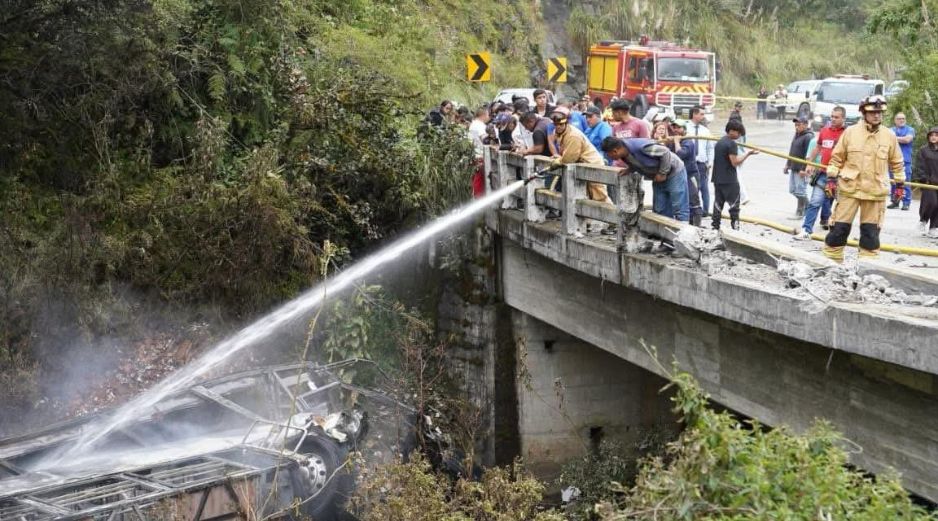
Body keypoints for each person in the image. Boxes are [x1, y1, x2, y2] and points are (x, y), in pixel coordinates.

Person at [822, 95, 905, 261]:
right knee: (838, 230)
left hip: (875, 192)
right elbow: (836, 159)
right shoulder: (850, 133)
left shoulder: (889, 136)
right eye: (873, 112)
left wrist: (900, 186)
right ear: (863, 113)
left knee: (870, 234)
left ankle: (867, 267)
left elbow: (897, 162)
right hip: (850, 189)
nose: (877, 115)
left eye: (879, 112)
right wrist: (831, 179)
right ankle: (830, 263)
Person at [551, 108, 614, 233]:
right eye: (556, 125)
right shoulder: (559, 132)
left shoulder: (573, 135)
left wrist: (558, 161)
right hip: (583, 165)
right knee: (586, 195)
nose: (558, 127)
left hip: (592, 165)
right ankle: (588, 222)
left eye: (561, 125)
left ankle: (614, 222)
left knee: (599, 195)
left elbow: (569, 158)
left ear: (566, 123)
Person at [601, 136, 689, 222]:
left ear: (615, 151)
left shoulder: (641, 147)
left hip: (674, 172)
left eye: (609, 154)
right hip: (657, 176)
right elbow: (638, 160)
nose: (609, 157)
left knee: (679, 206)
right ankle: (665, 230)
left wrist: (662, 173)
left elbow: (665, 153)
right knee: (660, 208)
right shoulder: (625, 152)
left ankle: (684, 229)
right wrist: (630, 169)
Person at [795, 106, 847, 240]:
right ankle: (806, 230)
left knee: (842, 207)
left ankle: (837, 236)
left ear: (843, 118)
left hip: (842, 176)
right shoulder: (825, 131)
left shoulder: (848, 134)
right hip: (824, 174)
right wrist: (810, 164)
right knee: (815, 202)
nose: (833, 119)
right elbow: (817, 148)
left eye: (836, 117)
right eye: (832, 116)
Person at [711, 120, 758, 230]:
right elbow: (735, 162)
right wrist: (748, 154)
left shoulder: (719, 142)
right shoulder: (731, 144)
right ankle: (735, 228)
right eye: (739, 133)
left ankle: (715, 227)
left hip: (717, 179)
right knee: (734, 206)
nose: (739, 135)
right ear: (732, 131)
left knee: (718, 204)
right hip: (729, 180)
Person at [669, 119, 703, 225]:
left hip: (691, 175)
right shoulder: (673, 141)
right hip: (679, 176)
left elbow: (680, 154)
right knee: (682, 200)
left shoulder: (688, 142)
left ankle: (696, 226)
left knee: (694, 199)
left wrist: (676, 142)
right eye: (674, 127)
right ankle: (685, 223)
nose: (676, 130)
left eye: (678, 127)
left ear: (684, 129)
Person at [784, 116, 815, 219]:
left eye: (799, 125)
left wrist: (803, 169)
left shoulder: (808, 137)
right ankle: (806, 209)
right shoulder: (797, 135)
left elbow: (808, 155)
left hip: (801, 169)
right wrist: (787, 164)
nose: (796, 127)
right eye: (795, 125)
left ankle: (802, 211)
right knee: (792, 190)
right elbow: (792, 150)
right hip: (794, 167)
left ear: (806, 125)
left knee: (800, 191)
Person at [689, 106, 715, 216]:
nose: (703, 116)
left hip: (702, 164)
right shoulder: (685, 128)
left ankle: (705, 211)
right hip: (690, 163)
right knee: (693, 187)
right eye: (701, 114)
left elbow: (710, 148)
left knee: (704, 188)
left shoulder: (705, 131)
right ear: (694, 114)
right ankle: (693, 210)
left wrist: (710, 162)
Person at [888, 112, 916, 210]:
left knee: (906, 182)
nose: (901, 120)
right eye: (899, 119)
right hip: (892, 160)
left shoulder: (910, 129)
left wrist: (893, 138)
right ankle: (895, 201)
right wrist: (899, 139)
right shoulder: (891, 130)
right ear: (895, 120)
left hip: (905, 160)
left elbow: (907, 140)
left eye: (903, 118)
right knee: (894, 182)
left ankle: (906, 203)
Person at [914, 127, 938, 237]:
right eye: (931, 135)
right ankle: (923, 221)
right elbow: (920, 166)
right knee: (932, 203)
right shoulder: (923, 150)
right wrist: (924, 179)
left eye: (936, 135)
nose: (934, 137)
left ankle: (933, 228)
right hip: (928, 182)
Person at [468, 106, 491, 198]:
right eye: (488, 115)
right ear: (483, 115)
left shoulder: (473, 124)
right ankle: (479, 198)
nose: (489, 117)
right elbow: (484, 139)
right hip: (480, 154)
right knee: (480, 179)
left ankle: (476, 196)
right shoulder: (480, 126)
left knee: (476, 177)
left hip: (474, 153)